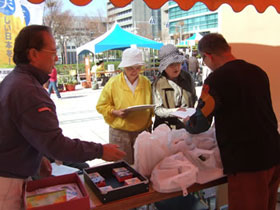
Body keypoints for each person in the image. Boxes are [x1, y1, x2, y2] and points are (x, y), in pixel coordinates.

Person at [0, 25, 126, 210]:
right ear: (33, 54)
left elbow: (20, 131)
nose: (57, 58)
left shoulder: (15, 80)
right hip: (8, 181)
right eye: (52, 52)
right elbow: (56, 145)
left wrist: (38, 155)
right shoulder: (29, 90)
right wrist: (100, 150)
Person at [185, 33, 280, 210]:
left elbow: (200, 123)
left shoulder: (216, 79)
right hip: (274, 153)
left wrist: (186, 123)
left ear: (208, 56)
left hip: (247, 162)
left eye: (204, 60)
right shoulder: (258, 72)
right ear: (228, 49)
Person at [96, 48, 153, 165]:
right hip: (120, 133)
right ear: (123, 68)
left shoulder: (146, 82)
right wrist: (114, 111)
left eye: (137, 67)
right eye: (130, 68)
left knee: (143, 165)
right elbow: (101, 105)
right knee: (122, 167)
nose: (134, 71)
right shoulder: (113, 82)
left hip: (142, 131)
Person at [152, 44, 197, 130]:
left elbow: (193, 98)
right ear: (164, 67)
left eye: (178, 63)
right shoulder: (158, 83)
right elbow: (157, 109)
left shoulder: (187, 77)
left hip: (187, 127)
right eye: (171, 65)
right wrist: (175, 111)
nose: (176, 67)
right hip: (166, 130)